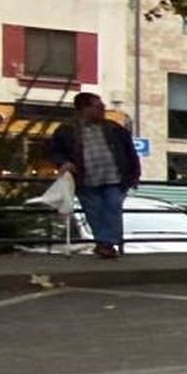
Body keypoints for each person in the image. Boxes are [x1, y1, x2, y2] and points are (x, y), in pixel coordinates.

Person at [48, 92, 141, 258]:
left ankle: (104, 243)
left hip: (114, 177)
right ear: (84, 109)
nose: (102, 109)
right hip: (86, 179)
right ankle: (105, 244)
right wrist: (63, 162)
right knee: (94, 211)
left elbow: (130, 152)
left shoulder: (113, 128)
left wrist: (134, 175)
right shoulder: (67, 130)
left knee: (112, 206)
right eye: (98, 107)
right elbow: (54, 150)